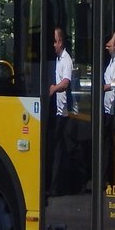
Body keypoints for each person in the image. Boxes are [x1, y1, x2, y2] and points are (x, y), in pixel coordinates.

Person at [46, 27, 73, 196]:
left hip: (63, 113)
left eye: (55, 42)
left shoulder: (66, 60)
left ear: (61, 42)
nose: (53, 45)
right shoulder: (57, 59)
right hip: (57, 111)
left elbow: (66, 82)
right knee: (59, 148)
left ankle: (56, 187)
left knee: (59, 149)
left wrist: (53, 89)